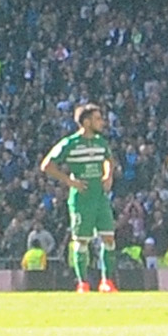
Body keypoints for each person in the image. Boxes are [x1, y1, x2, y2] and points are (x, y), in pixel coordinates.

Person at [39, 104, 118, 294]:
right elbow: (47, 165)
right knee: (81, 240)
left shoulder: (101, 142)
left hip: (100, 197)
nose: (102, 122)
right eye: (98, 119)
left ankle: (106, 281)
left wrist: (108, 176)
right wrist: (69, 181)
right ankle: (83, 283)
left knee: (108, 237)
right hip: (81, 199)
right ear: (86, 121)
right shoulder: (70, 143)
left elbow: (109, 160)